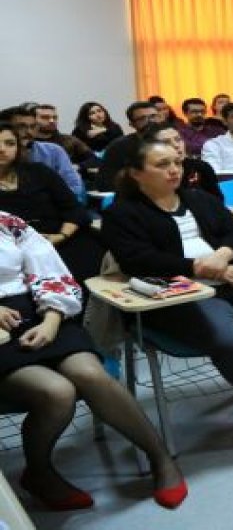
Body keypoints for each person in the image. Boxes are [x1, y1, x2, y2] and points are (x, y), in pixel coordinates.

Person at [102, 138, 233, 441]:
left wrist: (223, 255)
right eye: (162, 165)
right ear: (136, 173)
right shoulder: (122, 213)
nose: (174, 170)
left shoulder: (199, 199)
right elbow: (137, 260)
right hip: (183, 292)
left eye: (177, 162)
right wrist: (199, 267)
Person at [0, 210, 187, 511]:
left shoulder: (8, 223)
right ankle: (39, 472)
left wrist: (51, 319)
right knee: (56, 392)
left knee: (90, 374)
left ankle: (160, 458)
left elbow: (49, 270)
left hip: (37, 310)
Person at [0, 123, 105, 283]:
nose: (2, 149)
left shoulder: (39, 171)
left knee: (90, 273)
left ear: (18, 148)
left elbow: (73, 209)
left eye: (10, 143)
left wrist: (61, 236)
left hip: (61, 237)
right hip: (14, 250)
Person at [0, 107, 82, 197]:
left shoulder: (54, 151)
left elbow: (74, 186)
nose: (29, 132)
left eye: (33, 127)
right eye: (21, 127)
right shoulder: (3, 157)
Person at [94, 101, 162, 192]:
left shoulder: (172, 139)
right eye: (142, 119)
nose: (150, 121)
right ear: (132, 124)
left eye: (153, 116)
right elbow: (104, 183)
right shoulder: (119, 146)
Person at [144, 125, 222, 200]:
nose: (176, 145)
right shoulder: (152, 173)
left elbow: (217, 200)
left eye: (178, 139)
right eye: (166, 142)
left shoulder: (201, 166)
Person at [32, 105, 96, 173]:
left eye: (55, 117)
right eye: (45, 117)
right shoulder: (28, 142)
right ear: (33, 120)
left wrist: (77, 166)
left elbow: (95, 160)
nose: (51, 121)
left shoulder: (69, 140)